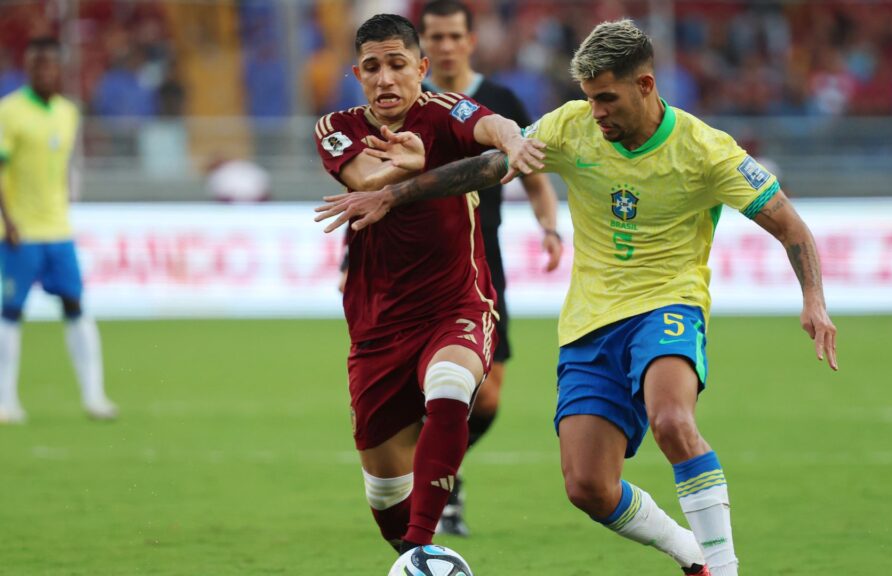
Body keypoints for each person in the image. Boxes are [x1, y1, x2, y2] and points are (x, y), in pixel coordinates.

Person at [316, 19, 839, 576]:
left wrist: (814, 299)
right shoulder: (572, 124)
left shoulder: (707, 150)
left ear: (645, 85)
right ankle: (691, 553)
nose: (596, 112)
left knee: (670, 420)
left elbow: (790, 226)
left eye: (606, 98)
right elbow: (490, 167)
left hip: (667, 305)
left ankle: (725, 567)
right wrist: (398, 191)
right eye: (589, 98)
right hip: (589, 323)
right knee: (588, 486)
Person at [311, 14, 543, 553]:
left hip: (455, 303)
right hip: (378, 323)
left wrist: (515, 140)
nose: (385, 78)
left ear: (421, 68)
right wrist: (408, 167)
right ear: (358, 74)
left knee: (451, 386)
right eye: (372, 67)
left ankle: (425, 549)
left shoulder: (444, 110)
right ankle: (415, 551)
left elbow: (494, 127)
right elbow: (364, 181)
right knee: (386, 494)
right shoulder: (336, 127)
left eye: (397, 64)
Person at [420, 0, 563, 536]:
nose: (445, 46)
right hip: (420, 263)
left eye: (453, 36)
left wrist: (550, 228)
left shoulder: (499, 103)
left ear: (470, 41)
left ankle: (441, 468)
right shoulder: (410, 102)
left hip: (484, 263)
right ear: (423, 45)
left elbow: (535, 178)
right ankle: (439, 489)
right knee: (427, 385)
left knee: (489, 393)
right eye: (435, 37)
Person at [0, 37, 118, 425]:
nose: (44, 72)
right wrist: (8, 221)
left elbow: (63, 164)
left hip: (59, 230)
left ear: (59, 69)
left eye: (50, 65)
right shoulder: (9, 112)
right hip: (20, 232)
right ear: (27, 68)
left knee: (75, 305)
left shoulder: (68, 113)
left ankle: (94, 396)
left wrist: (67, 197)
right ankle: (5, 400)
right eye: (37, 65)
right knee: (10, 313)